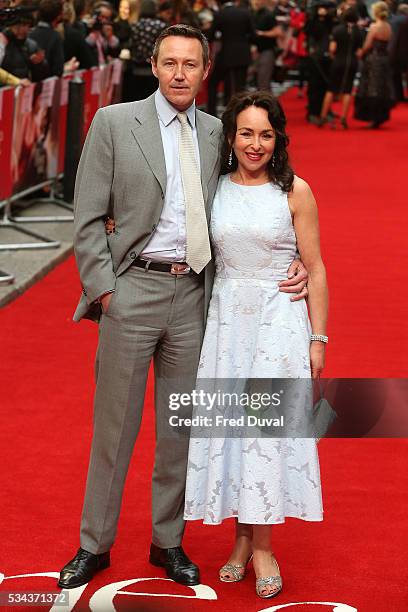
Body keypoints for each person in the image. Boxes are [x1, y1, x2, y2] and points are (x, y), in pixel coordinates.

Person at [58, 24, 309, 591]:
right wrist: (104, 289)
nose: (178, 73)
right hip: (132, 291)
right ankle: (93, 544)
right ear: (153, 65)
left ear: (205, 72)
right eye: (169, 62)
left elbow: (252, 198)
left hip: (196, 296)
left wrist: (290, 261)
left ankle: (167, 541)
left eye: (189, 65)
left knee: (181, 430)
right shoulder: (115, 122)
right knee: (114, 429)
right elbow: (88, 214)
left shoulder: (219, 131)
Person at [184, 90, 328, 599]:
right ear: (230, 136)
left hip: (277, 325)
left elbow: (314, 266)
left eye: (266, 134)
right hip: (226, 327)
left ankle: (261, 545)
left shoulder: (295, 191)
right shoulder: (214, 189)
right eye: (246, 133)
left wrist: (317, 338)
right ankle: (241, 539)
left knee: (263, 434)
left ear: (278, 139)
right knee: (232, 433)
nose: (255, 143)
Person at [319, 8, 364, 128]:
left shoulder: (337, 29)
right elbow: (360, 52)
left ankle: (322, 117)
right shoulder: (359, 32)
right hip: (352, 63)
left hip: (338, 61)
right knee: (348, 90)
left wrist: (334, 57)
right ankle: (343, 118)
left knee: (331, 89)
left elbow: (332, 49)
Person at [354, 1, 393, 128]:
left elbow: (367, 45)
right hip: (384, 59)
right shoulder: (388, 26)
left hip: (373, 60)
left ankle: (373, 117)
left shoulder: (375, 27)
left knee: (372, 88)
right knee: (382, 88)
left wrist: (361, 52)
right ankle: (380, 116)